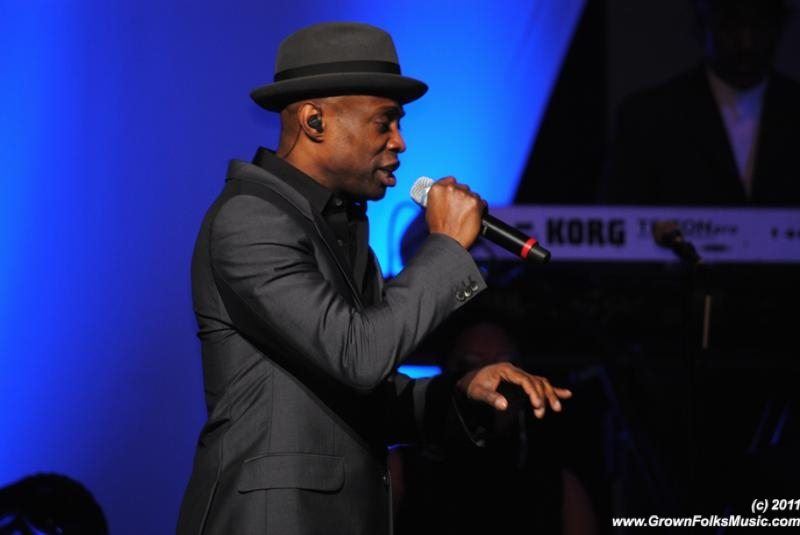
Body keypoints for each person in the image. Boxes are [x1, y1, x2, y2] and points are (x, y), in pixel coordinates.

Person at [177, 22, 571, 535]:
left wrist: (461, 392)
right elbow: (358, 356)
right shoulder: (251, 219)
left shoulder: (340, 228)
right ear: (314, 120)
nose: (400, 143)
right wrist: (447, 248)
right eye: (384, 123)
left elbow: (365, 395)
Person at [390, 310, 597, 535]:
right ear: (449, 375)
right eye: (471, 364)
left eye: (506, 365)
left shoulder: (559, 483)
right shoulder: (400, 470)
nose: (493, 378)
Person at [604, 0, 800, 205]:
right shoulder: (649, 117)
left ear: (779, 27)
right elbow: (620, 213)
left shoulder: (792, 107)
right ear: (703, 26)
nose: (746, 42)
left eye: (759, 26)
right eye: (730, 25)